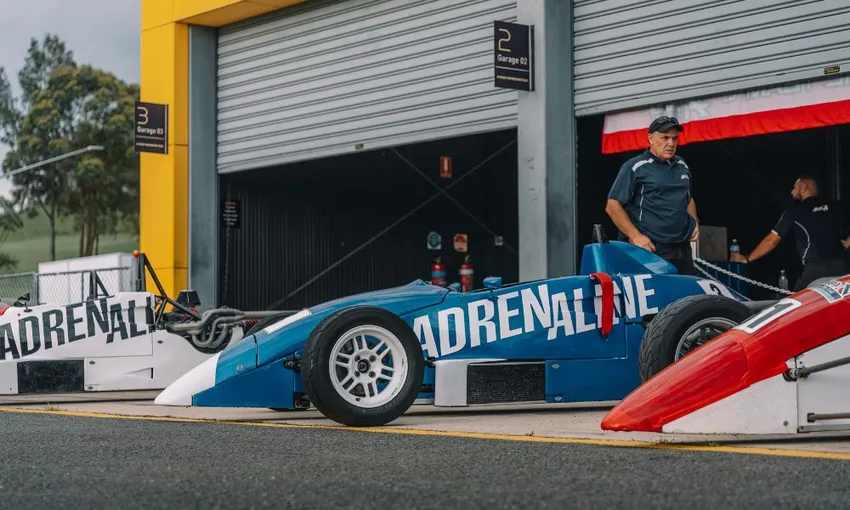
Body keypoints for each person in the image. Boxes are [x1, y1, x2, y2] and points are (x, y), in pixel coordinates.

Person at [605, 115, 700, 276]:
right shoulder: (635, 166)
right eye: (665, 138)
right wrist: (636, 236)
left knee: (688, 297)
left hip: (681, 248)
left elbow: (688, 198)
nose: (670, 143)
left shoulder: (682, 165)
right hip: (652, 248)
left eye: (674, 139)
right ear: (650, 138)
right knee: (660, 298)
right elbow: (612, 205)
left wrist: (694, 222)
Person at [730, 174, 850, 291]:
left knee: (797, 307)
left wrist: (748, 259)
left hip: (815, 270)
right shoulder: (836, 206)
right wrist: (846, 243)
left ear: (804, 188)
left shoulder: (794, 211)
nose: (792, 192)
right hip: (841, 267)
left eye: (794, 187)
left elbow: (772, 240)